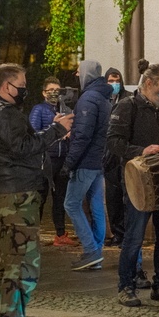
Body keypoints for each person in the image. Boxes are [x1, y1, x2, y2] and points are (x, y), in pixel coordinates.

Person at [0, 63, 74, 317]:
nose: (24, 91)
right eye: (21, 85)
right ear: (7, 86)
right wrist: (56, 130)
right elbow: (22, 148)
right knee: (22, 265)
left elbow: (20, 144)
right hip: (18, 194)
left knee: (5, 262)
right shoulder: (4, 113)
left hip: (6, 191)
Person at [109, 59, 159, 307]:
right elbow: (113, 143)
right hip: (139, 185)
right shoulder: (127, 107)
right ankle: (126, 286)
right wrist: (141, 150)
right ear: (150, 83)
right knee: (134, 237)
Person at [63, 60, 112, 271]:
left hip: (86, 162)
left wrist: (69, 163)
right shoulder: (103, 98)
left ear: (86, 74)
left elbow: (82, 136)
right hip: (99, 161)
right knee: (97, 205)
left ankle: (91, 251)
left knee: (71, 204)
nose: (76, 74)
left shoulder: (88, 99)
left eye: (79, 70)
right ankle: (96, 253)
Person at [29, 76, 75, 247]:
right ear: (43, 93)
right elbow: (34, 133)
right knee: (40, 197)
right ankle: (33, 234)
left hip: (62, 159)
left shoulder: (66, 109)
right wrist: (54, 128)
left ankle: (61, 234)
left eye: (58, 90)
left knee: (60, 199)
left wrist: (69, 133)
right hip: (45, 160)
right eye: (51, 91)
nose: (55, 94)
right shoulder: (38, 110)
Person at [102, 67, 131, 248]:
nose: (114, 84)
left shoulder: (128, 99)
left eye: (117, 80)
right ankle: (117, 233)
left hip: (124, 153)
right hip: (109, 155)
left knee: (127, 195)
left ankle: (129, 233)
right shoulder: (103, 100)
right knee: (112, 197)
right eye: (111, 81)